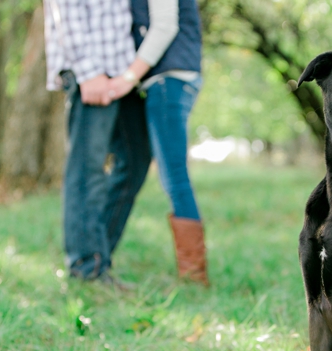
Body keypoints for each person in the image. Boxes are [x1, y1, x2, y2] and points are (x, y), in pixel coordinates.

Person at [44, 0, 153, 288]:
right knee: (87, 167)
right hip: (92, 71)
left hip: (122, 71)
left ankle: (97, 253)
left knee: (137, 159)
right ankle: (86, 267)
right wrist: (89, 72)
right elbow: (64, 10)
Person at [107, 0, 209, 285]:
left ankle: (194, 274)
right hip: (172, 78)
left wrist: (128, 77)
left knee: (174, 176)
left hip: (169, 79)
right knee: (172, 174)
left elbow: (164, 25)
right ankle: (193, 273)